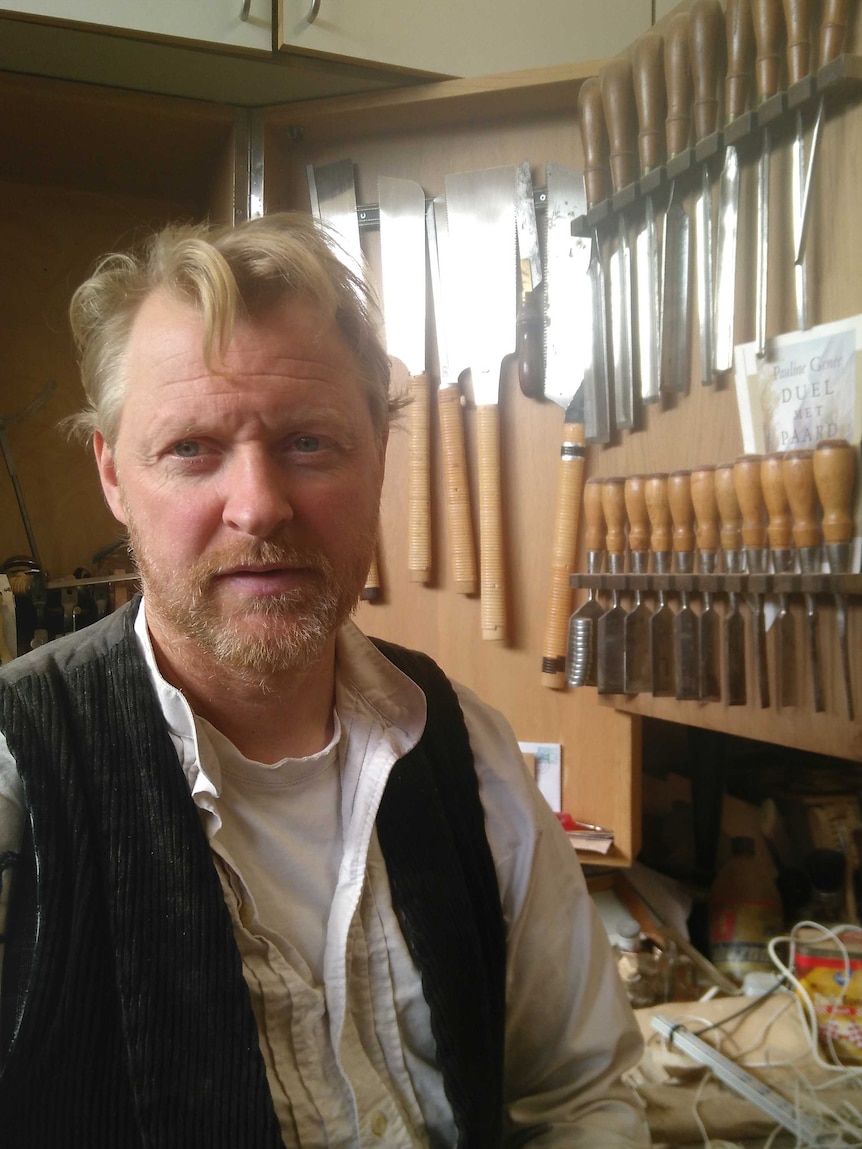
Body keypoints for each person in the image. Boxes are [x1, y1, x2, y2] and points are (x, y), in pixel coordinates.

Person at [0, 212, 649, 1147]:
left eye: (310, 442)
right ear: (113, 477)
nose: (260, 504)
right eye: (190, 449)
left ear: (380, 456)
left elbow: (582, 1097)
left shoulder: (470, 757)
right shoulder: (18, 775)